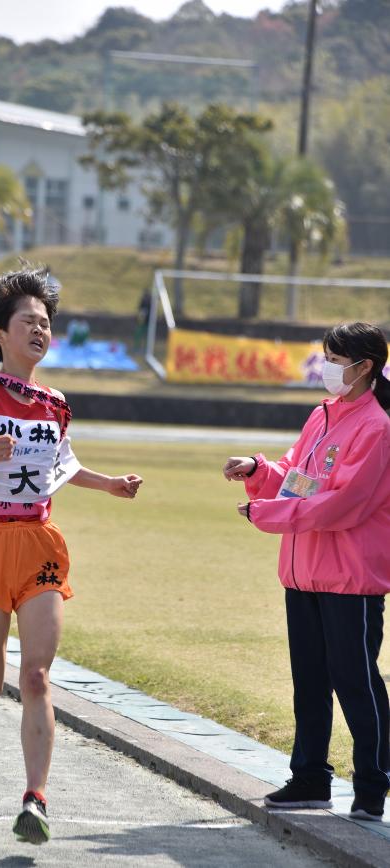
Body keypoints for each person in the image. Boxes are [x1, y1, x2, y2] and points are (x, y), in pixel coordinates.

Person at [0, 267, 142, 846]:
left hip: (41, 544)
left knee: (37, 675)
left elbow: (62, 467)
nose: (40, 331)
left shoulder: (56, 402)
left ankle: (35, 798)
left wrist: (110, 483)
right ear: (1, 333)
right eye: (28, 322)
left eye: (46, 324)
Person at [223, 321, 390, 822]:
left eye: (337, 360)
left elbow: (343, 506)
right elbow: (300, 480)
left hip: (350, 578)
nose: (328, 368)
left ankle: (373, 785)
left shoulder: (378, 427)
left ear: (365, 368)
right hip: (304, 572)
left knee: (355, 681)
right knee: (310, 680)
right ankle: (310, 779)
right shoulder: (321, 417)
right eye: (327, 358)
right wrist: (258, 471)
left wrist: (266, 514)